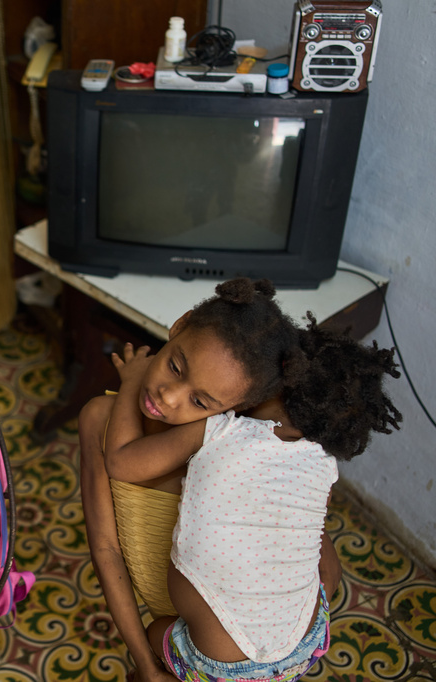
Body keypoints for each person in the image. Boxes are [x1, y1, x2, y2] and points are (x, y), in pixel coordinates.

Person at [101, 315, 402, 681]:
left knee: (156, 633)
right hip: (306, 642)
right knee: (316, 547)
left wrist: (132, 381)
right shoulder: (322, 461)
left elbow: (120, 462)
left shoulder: (219, 430)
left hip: (222, 666)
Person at [79, 278, 306, 682]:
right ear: (180, 325)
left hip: (234, 640)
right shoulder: (99, 419)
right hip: (167, 634)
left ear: (238, 407)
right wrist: (146, 664)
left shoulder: (231, 445)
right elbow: (105, 548)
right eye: (175, 366)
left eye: (199, 401)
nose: (168, 396)